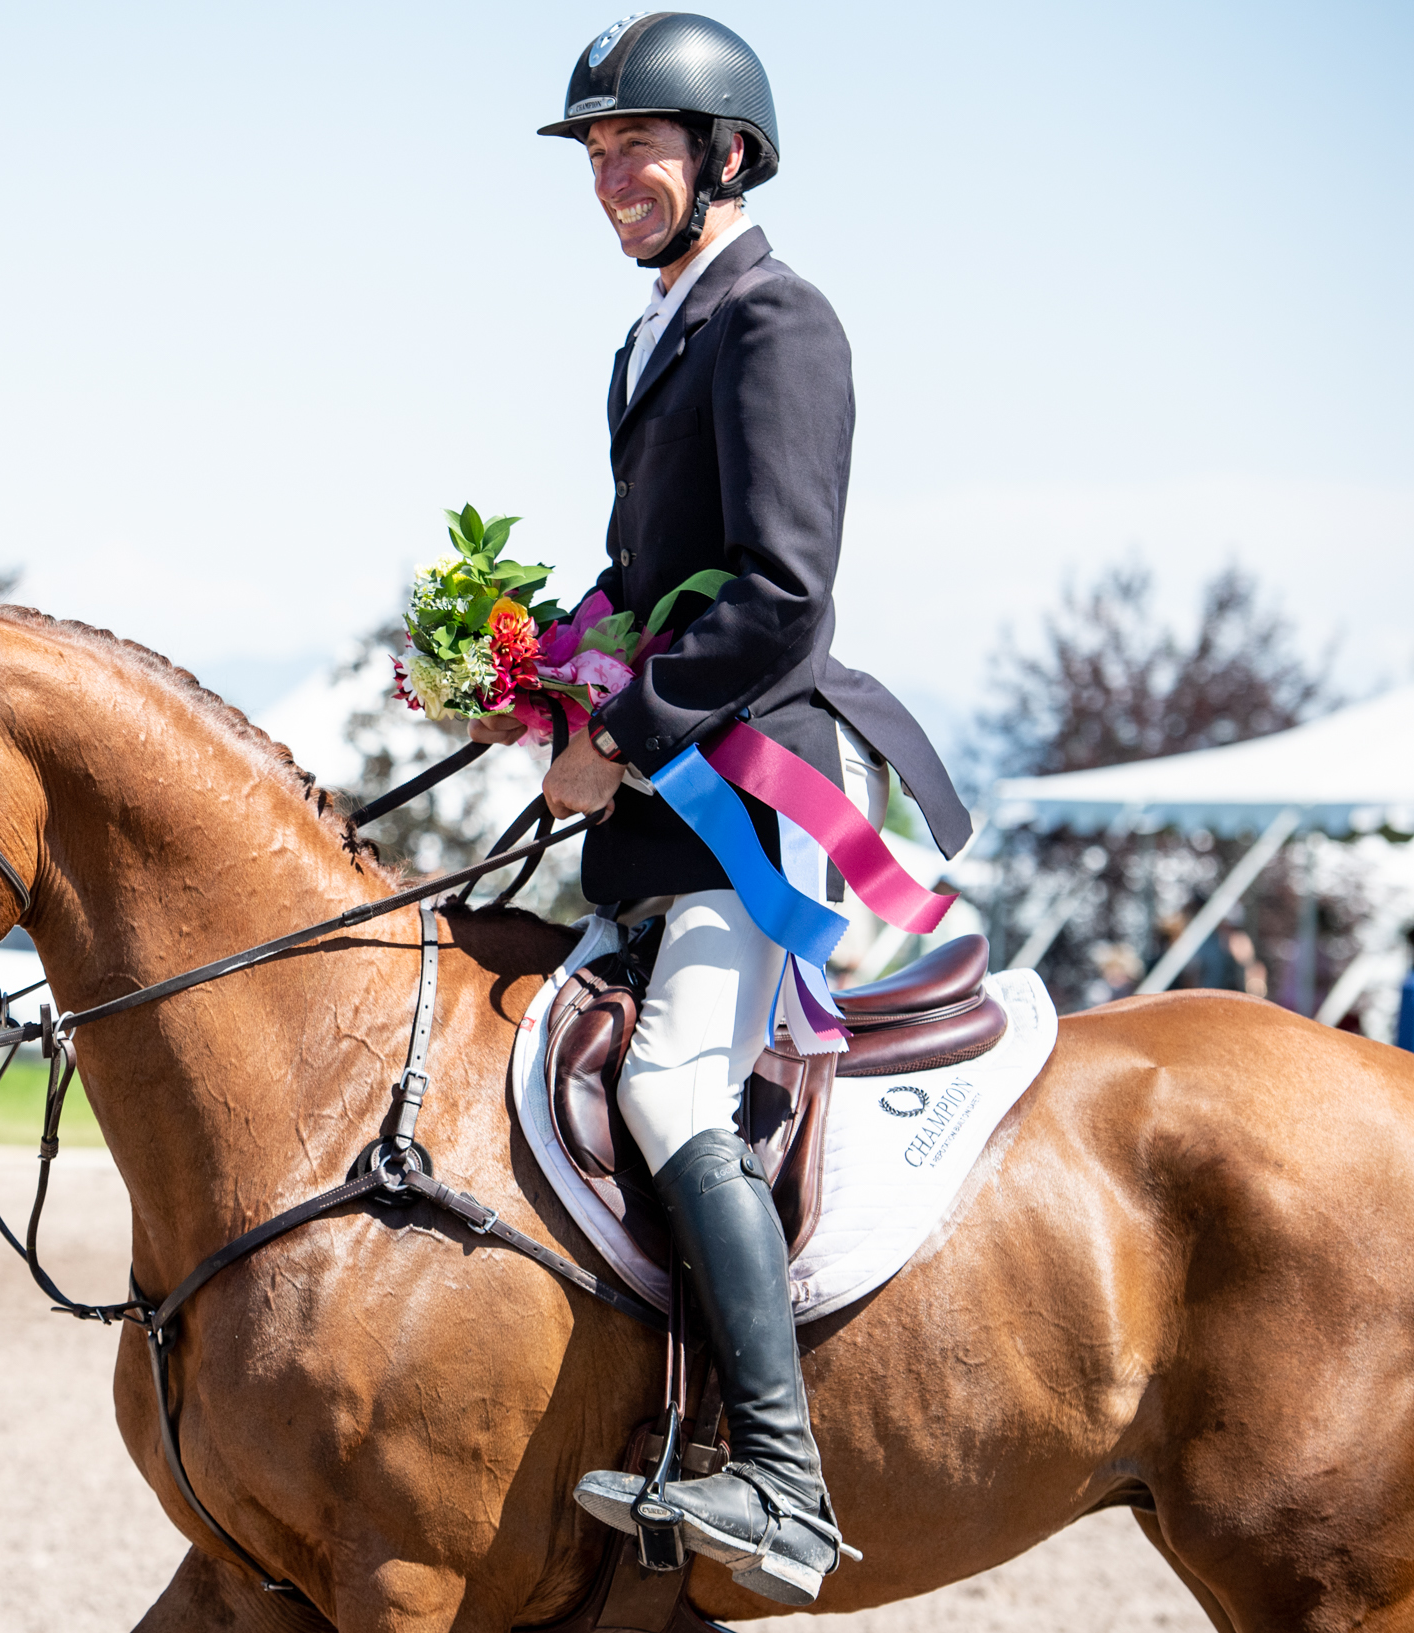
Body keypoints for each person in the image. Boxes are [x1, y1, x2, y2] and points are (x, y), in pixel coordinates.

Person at [474, 13, 973, 1607]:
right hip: (653, 808)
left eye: (638, 144)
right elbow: (649, 580)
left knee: (679, 1090)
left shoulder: (776, 322)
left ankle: (775, 1473)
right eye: (596, 150)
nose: (611, 173)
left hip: (748, 811)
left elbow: (773, 594)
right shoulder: (651, 337)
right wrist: (539, 669)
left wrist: (614, 724)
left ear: (725, 158)